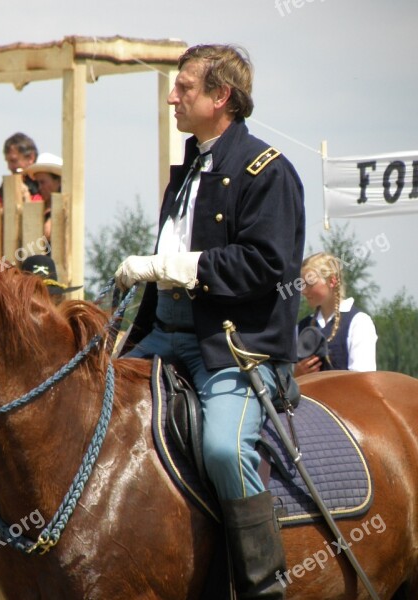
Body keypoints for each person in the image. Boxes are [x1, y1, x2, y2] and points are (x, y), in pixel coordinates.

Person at [113, 44, 304, 598]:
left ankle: (262, 585)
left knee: (223, 448)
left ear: (221, 97)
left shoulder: (269, 171)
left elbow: (268, 265)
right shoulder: (192, 167)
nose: (173, 97)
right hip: (162, 337)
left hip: (232, 348)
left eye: (185, 88)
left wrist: (172, 265)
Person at [0, 255, 79, 600]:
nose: (42, 301)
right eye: (35, 293)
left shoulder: (76, 333)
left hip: (74, 446)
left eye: (48, 292)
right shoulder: (8, 346)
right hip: (18, 452)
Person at [295, 252, 377, 376]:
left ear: (332, 281)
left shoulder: (358, 322)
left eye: (310, 283)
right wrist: (297, 374)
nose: (304, 291)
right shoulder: (301, 327)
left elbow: (363, 379)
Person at [0, 132, 42, 204]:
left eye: (14, 161)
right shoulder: (4, 189)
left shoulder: (44, 186)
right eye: (8, 161)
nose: (9, 167)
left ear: (30, 158)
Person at [24, 153, 63, 246]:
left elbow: (47, 234)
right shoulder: (41, 208)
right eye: (37, 183)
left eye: (43, 182)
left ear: (58, 181)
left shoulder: (65, 209)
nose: (39, 188)